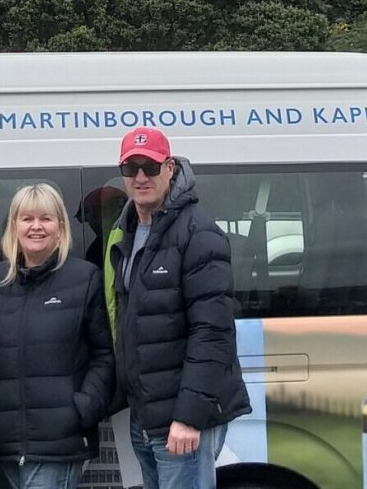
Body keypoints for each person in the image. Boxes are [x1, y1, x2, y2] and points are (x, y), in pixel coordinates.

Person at [105, 127, 251, 489]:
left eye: (150, 167)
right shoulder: (128, 230)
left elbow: (212, 333)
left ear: (170, 168)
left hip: (181, 421)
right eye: (131, 168)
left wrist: (189, 417)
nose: (140, 177)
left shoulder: (198, 233)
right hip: (147, 416)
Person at [0, 183, 114, 489]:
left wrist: (82, 408)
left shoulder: (84, 280)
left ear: (60, 226)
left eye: (45, 218)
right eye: (27, 219)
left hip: (59, 443)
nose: (36, 227)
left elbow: (103, 356)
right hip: (1, 445)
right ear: (13, 225)